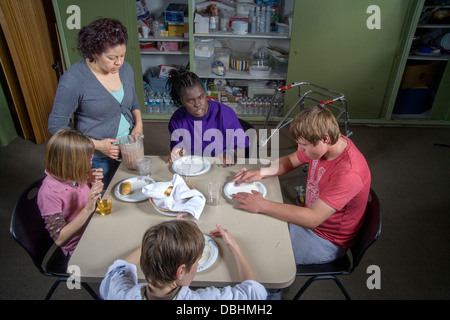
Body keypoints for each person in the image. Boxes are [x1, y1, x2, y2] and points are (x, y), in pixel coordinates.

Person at [232, 105, 371, 265]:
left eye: (303, 146)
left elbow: (313, 219)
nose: (300, 150)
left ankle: (273, 289)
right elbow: (291, 160)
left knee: (260, 252)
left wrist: (262, 205)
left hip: (325, 239)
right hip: (309, 214)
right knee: (256, 224)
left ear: (325, 139)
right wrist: (261, 172)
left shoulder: (349, 173)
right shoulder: (327, 143)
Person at [48, 18, 143, 187]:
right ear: (94, 53)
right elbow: (56, 126)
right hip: (96, 158)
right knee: (102, 200)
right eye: (112, 57)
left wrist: (138, 125)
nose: (119, 62)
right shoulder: (73, 80)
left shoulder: (125, 69)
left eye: (122, 55)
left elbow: (133, 102)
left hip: (128, 148)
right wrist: (98, 145)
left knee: (132, 190)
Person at [99, 220, 267, 300]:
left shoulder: (120, 294)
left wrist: (162, 240)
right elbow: (255, 292)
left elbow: (119, 267)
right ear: (180, 271)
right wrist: (235, 248)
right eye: (197, 260)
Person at [37, 129, 104, 257]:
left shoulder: (74, 176)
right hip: (81, 245)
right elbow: (60, 239)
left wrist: (93, 183)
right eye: (88, 159)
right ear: (72, 164)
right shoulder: (48, 194)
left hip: (95, 227)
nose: (91, 162)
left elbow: (87, 196)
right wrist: (88, 209)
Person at [166, 67, 249, 166]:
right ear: (182, 101)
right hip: (193, 167)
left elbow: (242, 149)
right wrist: (177, 154)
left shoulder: (224, 114)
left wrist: (231, 154)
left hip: (220, 166)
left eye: (200, 97)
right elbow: (180, 151)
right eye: (190, 101)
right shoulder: (177, 120)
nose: (197, 104)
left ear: (205, 94)